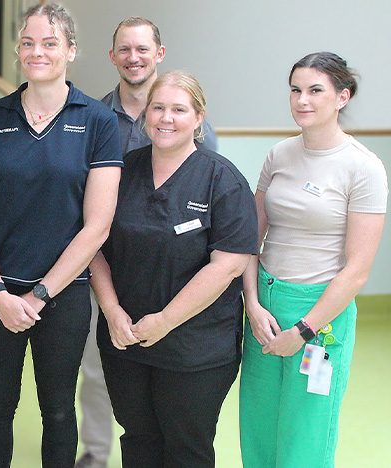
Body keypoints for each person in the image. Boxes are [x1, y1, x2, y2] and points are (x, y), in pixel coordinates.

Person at [0, 3, 122, 467]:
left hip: (63, 294)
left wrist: (38, 295)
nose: (38, 52)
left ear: (70, 50)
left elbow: (97, 226)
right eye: (29, 43)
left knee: (57, 409)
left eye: (50, 43)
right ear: (18, 49)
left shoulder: (97, 121)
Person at [92, 71, 257, 468]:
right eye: (158, 108)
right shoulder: (120, 172)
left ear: (199, 118)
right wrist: (112, 311)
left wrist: (165, 320)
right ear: (145, 114)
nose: (166, 118)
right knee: (138, 441)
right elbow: (94, 244)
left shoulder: (223, 179)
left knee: (187, 449)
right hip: (126, 340)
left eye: (179, 110)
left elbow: (229, 264)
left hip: (194, 349)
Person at [76, 20, 218, 467]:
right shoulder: (94, 118)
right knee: (99, 371)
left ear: (159, 53)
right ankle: (96, 454)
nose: (133, 57)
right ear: (112, 56)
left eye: (143, 49)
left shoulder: (193, 120)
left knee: (171, 393)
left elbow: (208, 191)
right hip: (107, 271)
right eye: (124, 49)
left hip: (173, 278)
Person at [239, 52, 387, 468]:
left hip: (320, 316)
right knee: (259, 426)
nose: (302, 100)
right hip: (265, 306)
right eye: (295, 90)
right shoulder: (280, 155)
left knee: (306, 432)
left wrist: (303, 329)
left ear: (342, 97)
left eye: (315, 90)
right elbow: (251, 236)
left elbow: (357, 270)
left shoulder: (364, 168)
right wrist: (252, 304)